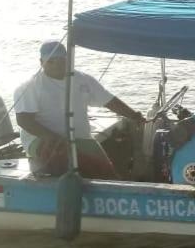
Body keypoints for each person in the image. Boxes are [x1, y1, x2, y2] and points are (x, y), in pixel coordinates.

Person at [14, 40, 145, 178]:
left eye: (61, 60)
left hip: (80, 137)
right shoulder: (30, 86)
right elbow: (24, 120)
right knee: (70, 160)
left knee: (106, 171)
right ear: (41, 62)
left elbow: (109, 100)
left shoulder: (83, 79)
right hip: (42, 139)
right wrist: (52, 137)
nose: (57, 64)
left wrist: (134, 115)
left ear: (68, 59)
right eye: (51, 61)